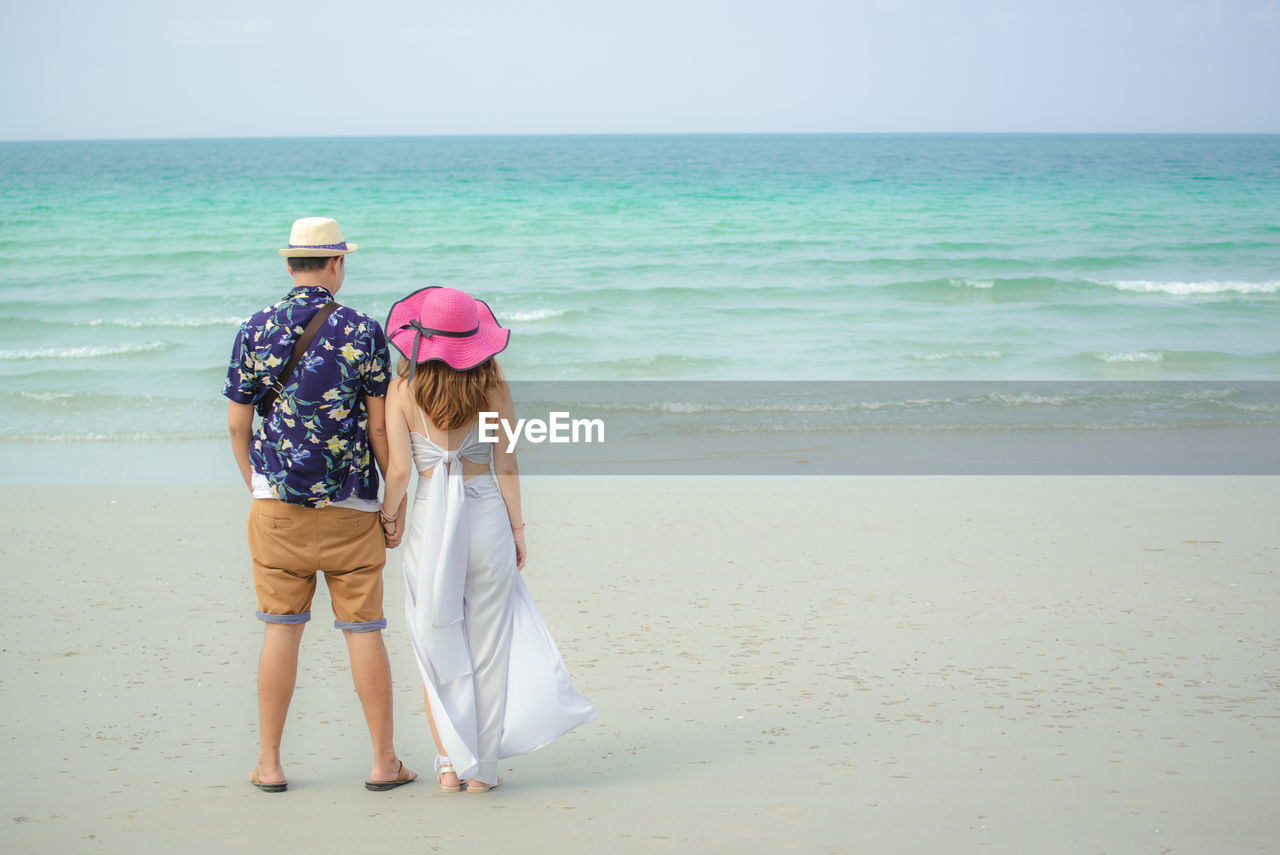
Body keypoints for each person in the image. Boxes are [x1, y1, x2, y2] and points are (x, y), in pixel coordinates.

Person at [223, 217, 416, 792]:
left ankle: (270, 764)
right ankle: (384, 763)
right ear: (336, 265)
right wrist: (390, 507)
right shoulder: (363, 329)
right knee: (364, 632)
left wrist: (256, 484)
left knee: (281, 631)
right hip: (353, 507)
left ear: (289, 265)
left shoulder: (254, 327)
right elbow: (382, 431)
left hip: (276, 505)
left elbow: (237, 424)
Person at [380, 286, 596, 793]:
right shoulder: (494, 388)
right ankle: (484, 771)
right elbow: (508, 464)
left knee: (435, 640)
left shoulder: (402, 390)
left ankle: (450, 765)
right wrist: (519, 530)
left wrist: (389, 519)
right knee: (489, 644)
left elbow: (398, 470)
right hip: (486, 517)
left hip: (433, 516)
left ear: (419, 339)